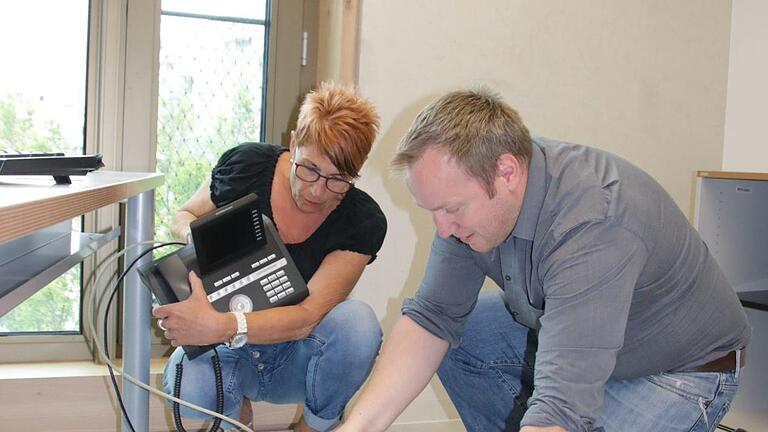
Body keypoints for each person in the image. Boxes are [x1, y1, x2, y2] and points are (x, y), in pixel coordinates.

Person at [338, 88, 750, 432]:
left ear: (507, 173)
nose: (443, 229)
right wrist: (355, 428)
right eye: (433, 211)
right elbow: (432, 319)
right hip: (585, 344)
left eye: (451, 209)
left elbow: (561, 409)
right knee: (464, 340)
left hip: (681, 372)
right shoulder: (473, 205)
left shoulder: (592, 223)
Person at [152, 82, 387, 432]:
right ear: (293, 143)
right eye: (309, 169)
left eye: (338, 180)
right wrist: (202, 239)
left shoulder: (361, 220)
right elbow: (183, 216)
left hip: (296, 353)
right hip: (231, 351)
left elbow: (308, 317)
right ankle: (237, 419)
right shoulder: (248, 166)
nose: (317, 191)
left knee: (358, 325)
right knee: (188, 380)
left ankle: (312, 428)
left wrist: (223, 325)